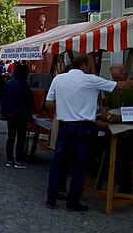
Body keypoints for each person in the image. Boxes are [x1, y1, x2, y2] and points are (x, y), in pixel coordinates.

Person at [45, 55, 133, 211]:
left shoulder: (58, 79)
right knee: (81, 164)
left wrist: (66, 107)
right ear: (84, 65)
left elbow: (49, 103)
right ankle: (72, 202)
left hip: (65, 125)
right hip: (84, 126)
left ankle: (51, 199)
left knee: (58, 163)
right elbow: (119, 86)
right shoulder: (91, 79)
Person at [103, 64, 133, 194]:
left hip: (130, 126)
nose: (117, 82)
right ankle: (124, 187)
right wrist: (107, 114)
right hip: (117, 128)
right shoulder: (111, 88)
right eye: (114, 78)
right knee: (120, 157)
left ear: (126, 75)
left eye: (119, 78)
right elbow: (108, 105)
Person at [0, 63, 34, 169]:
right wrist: (29, 118)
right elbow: (27, 103)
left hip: (10, 113)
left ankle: (10, 159)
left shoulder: (8, 83)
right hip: (20, 114)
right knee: (21, 138)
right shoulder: (24, 85)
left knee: (11, 136)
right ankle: (19, 160)